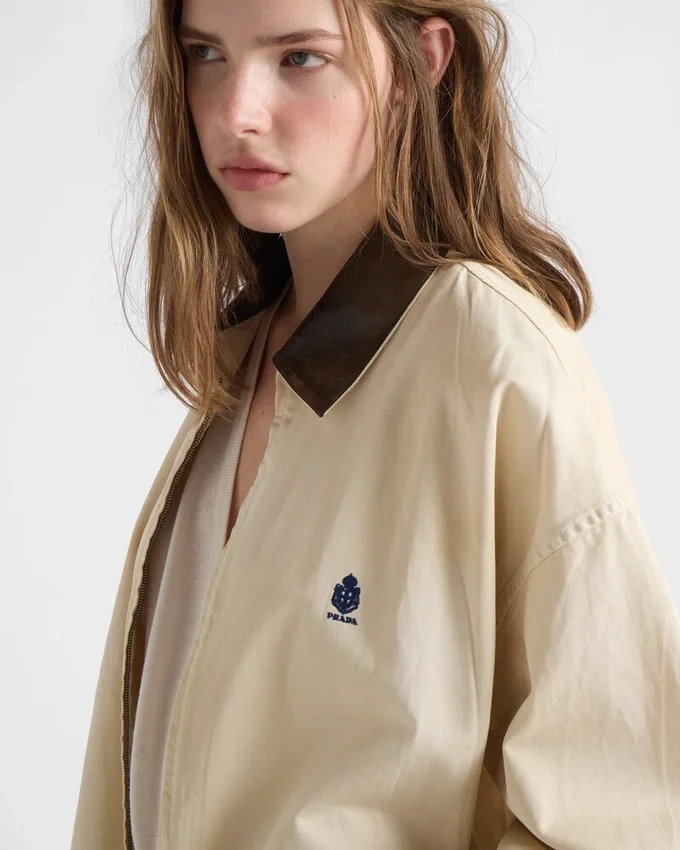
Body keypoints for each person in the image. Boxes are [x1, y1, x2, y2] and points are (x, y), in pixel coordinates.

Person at [71, 0, 680, 848]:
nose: (237, 112)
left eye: (300, 58)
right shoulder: (245, 363)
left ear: (421, 63)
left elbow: (619, 813)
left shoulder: (493, 362)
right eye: (206, 53)